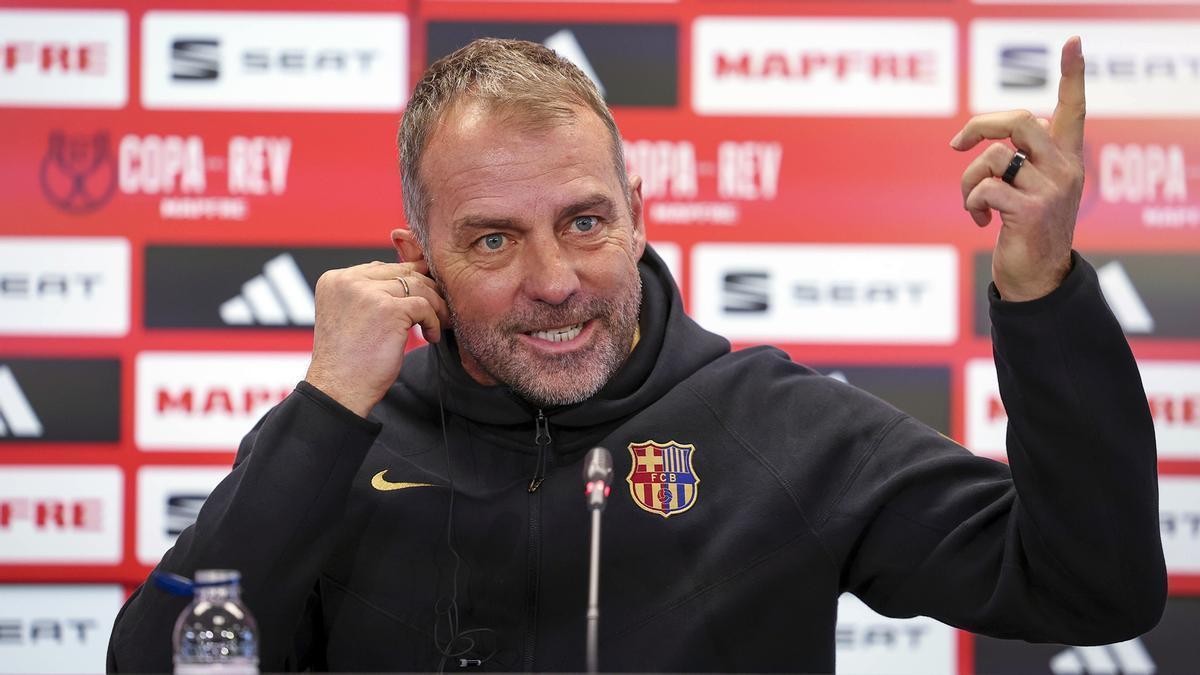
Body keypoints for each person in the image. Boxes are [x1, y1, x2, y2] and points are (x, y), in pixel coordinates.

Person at [108, 37, 1166, 672]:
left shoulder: (777, 424)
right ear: (414, 259)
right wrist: (325, 411)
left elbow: (1091, 592)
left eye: (584, 221)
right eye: (491, 240)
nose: (557, 280)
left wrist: (1042, 292)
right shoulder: (335, 440)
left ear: (640, 216)